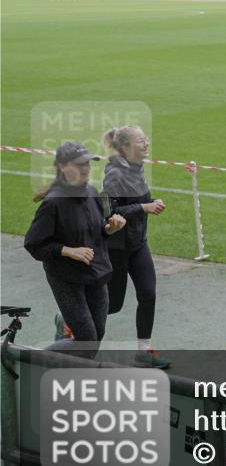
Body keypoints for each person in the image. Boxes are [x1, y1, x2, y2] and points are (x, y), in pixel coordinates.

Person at [24, 141, 126, 360]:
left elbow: (96, 230)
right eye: (79, 165)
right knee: (86, 340)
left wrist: (109, 228)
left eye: (88, 164)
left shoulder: (91, 192)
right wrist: (67, 251)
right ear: (62, 167)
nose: (86, 169)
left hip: (95, 273)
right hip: (66, 277)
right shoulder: (53, 204)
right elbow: (34, 244)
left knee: (95, 337)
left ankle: (67, 362)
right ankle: (32, 359)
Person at [102, 125, 170, 369]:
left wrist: (151, 202)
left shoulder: (137, 169)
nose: (146, 143)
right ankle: (67, 322)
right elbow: (108, 211)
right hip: (117, 248)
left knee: (148, 294)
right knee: (113, 305)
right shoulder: (114, 174)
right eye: (141, 141)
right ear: (126, 147)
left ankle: (144, 351)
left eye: (146, 139)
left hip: (138, 244)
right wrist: (143, 208)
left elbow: (137, 200)